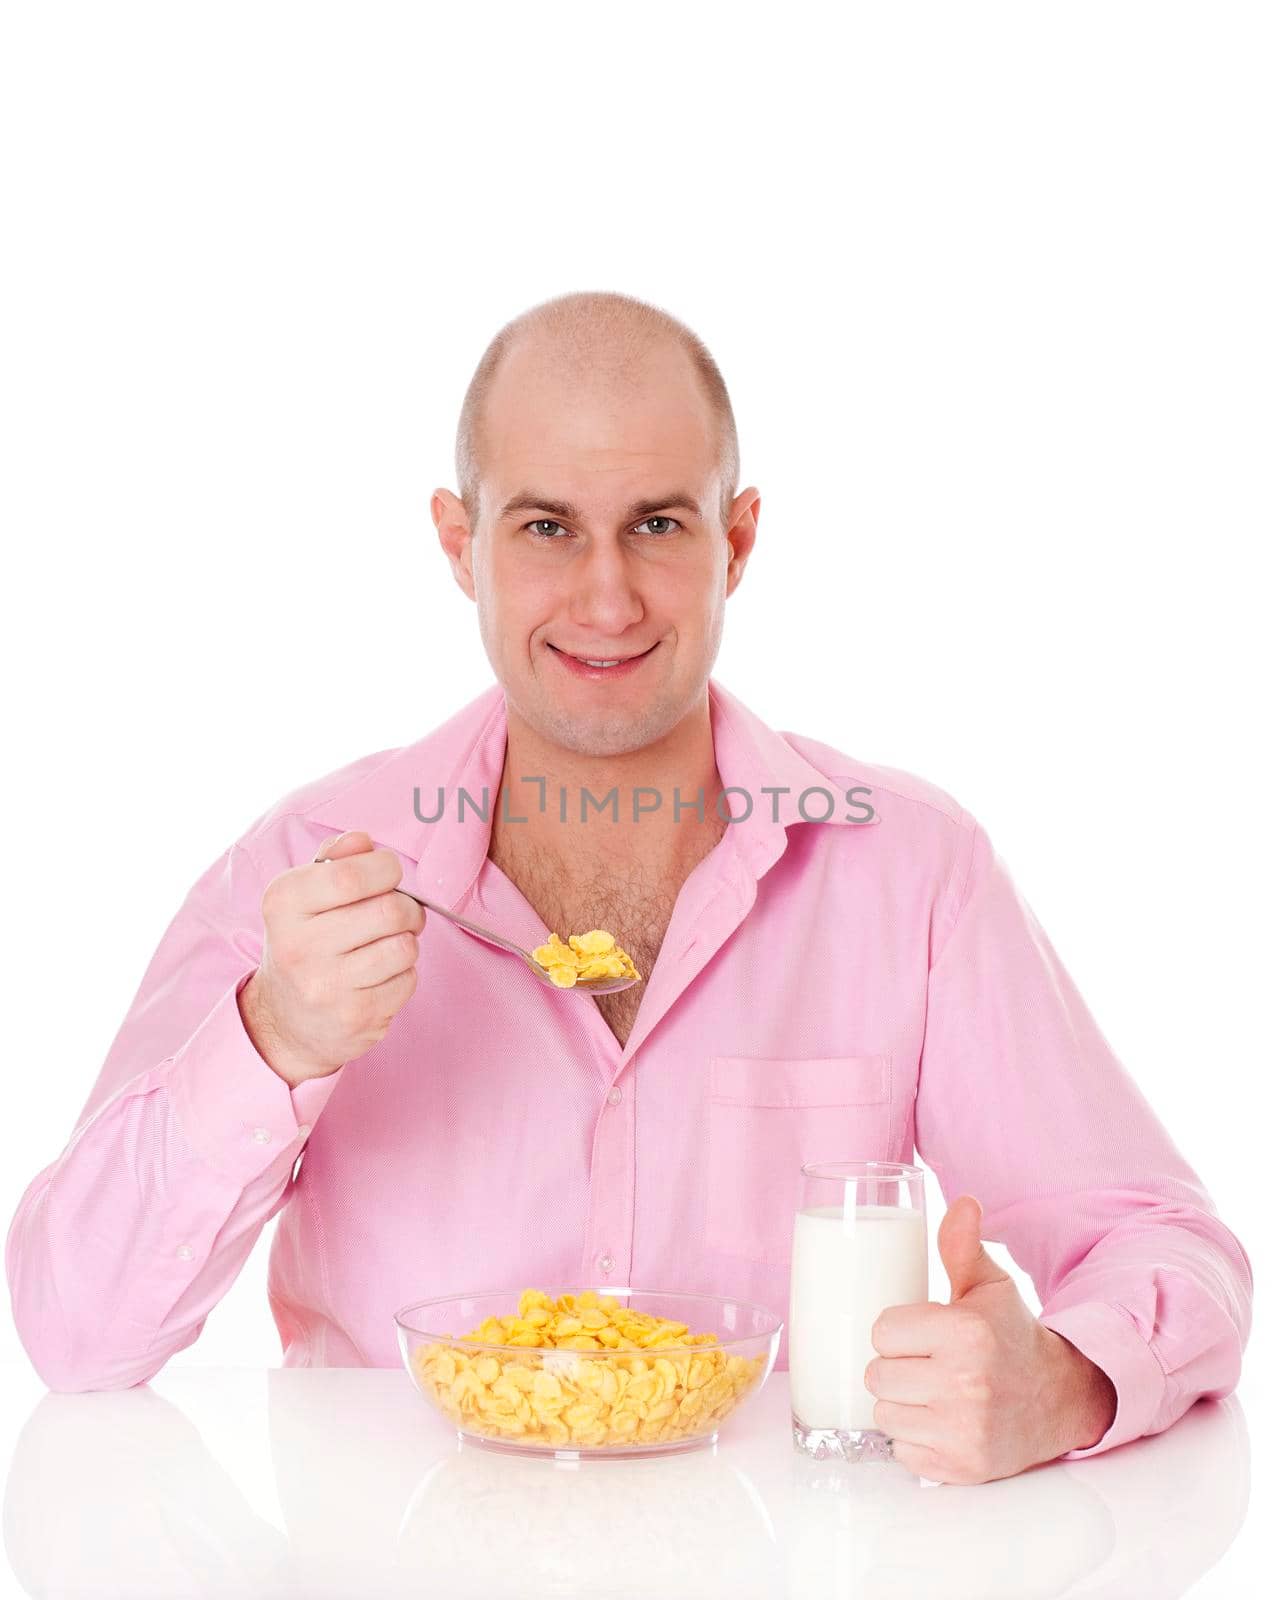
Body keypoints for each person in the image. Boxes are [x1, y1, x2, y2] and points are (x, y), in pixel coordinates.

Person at [5, 291, 1251, 1486]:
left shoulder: (909, 870)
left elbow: (1171, 1250)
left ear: (738, 540)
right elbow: (73, 1330)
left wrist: (1065, 1379)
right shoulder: (307, 864)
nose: (605, 598)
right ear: (459, 545)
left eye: (656, 523)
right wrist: (273, 1039)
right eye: (545, 527)